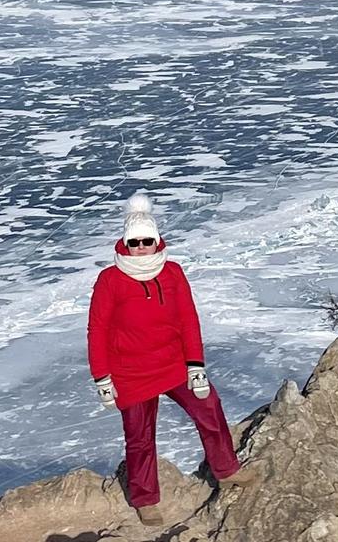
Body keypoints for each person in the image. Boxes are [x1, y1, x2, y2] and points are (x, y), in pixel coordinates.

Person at [87, 193, 253, 525]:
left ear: (157, 239)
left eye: (148, 241)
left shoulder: (173, 272)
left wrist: (196, 365)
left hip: (174, 364)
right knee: (139, 436)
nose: (142, 248)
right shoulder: (110, 280)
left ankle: (226, 469)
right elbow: (97, 329)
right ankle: (146, 499)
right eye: (135, 243)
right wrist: (102, 379)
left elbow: (188, 320)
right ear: (125, 243)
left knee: (209, 408)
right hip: (130, 372)